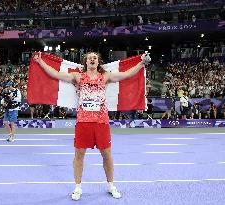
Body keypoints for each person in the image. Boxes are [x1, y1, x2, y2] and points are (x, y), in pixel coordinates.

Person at [33, 51, 150, 200]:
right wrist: (40, 62)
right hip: (83, 122)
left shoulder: (105, 76)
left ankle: (111, 185)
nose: (93, 59)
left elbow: (126, 75)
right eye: (90, 58)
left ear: (98, 61)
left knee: (106, 154)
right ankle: (77, 187)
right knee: (79, 155)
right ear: (86, 62)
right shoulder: (78, 76)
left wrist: (141, 63)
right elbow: (56, 74)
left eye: (95, 57)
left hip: (101, 122)